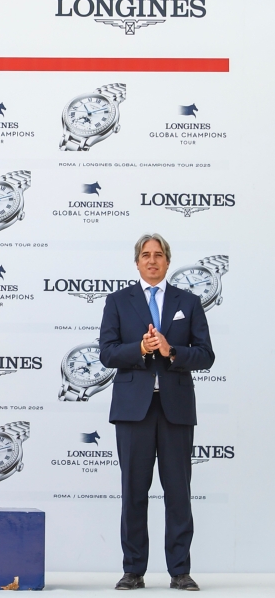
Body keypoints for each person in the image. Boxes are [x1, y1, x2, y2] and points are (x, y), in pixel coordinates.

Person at [100, 234, 213, 592]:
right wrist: (141, 348)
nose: (152, 260)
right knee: (133, 490)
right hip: (134, 411)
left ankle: (180, 571)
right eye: (146, 255)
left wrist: (172, 350)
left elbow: (206, 355)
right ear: (137, 262)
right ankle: (133, 570)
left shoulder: (189, 301)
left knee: (178, 492)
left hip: (175, 409)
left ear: (167, 261)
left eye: (158, 255)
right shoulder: (118, 301)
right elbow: (107, 353)